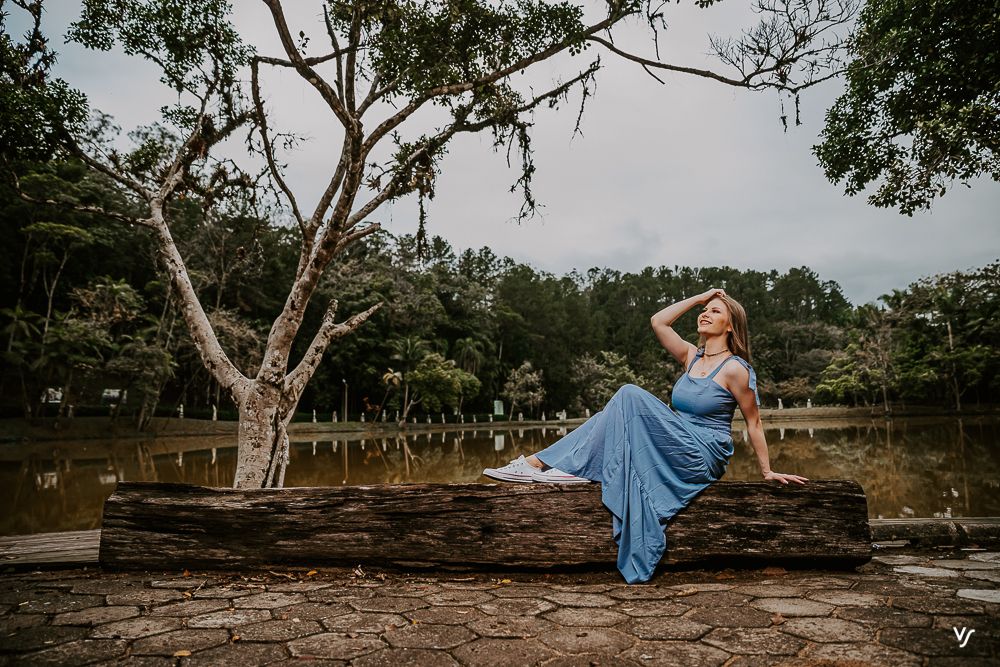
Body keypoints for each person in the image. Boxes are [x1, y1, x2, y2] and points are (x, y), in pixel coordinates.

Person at [483, 287, 808, 583]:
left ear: (731, 326)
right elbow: (658, 322)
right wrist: (700, 297)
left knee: (628, 394)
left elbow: (754, 423)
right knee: (606, 416)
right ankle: (554, 466)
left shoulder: (736, 369)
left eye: (715, 311)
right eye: (704, 309)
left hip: (702, 452)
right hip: (676, 438)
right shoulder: (690, 357)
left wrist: (766, 470)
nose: (705, 313)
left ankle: (548, 465)